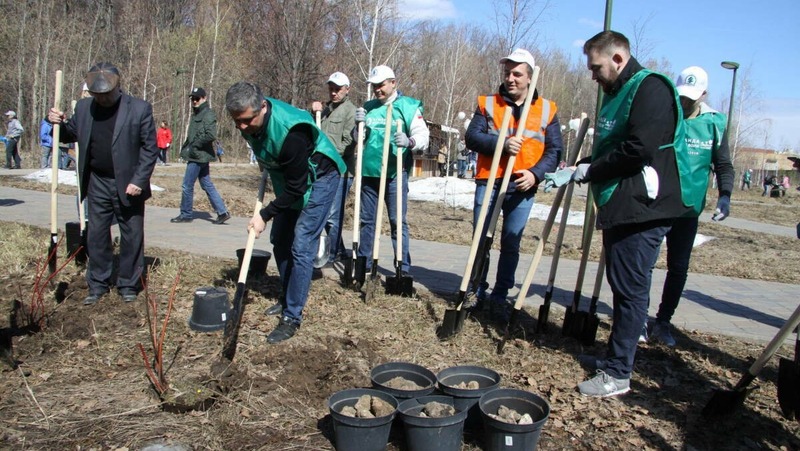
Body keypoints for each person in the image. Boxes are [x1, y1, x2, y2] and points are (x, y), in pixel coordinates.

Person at [572, 31, 691, 397]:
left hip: (645, 207)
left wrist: (591, 171)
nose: (593, 75)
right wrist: (584, 163)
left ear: (618, 59)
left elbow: (638, 149)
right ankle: (614, 358)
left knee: (630, 291)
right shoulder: (619, 91)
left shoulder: (650, 88)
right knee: (622, 286)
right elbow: (615, 145)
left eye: (596, 67)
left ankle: (619, 374)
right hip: (625, 203)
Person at [225, 81, 345, 343]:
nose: (242, 127)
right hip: (292, 177)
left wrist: (265, 214)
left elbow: (296, 189)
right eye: (237, 122)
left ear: (263, 108)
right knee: (280, 240)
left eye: (247, 120)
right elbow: (267, 150)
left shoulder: (292, 133)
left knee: (302, 244)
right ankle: (286, 295)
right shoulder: (248, 118)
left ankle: (292, 316)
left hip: (322, 176)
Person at [46, 62, 158, 304]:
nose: (102, 99)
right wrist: (56, 122)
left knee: (131, 234)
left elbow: (150, 149)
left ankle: (128, 284)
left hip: (129, 184)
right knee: (96, 234)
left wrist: (139, 180)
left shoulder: (138, 109)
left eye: (106, 94)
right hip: (97, 181)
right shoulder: (85, 108)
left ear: (117, 87)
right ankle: (97, 284)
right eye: (97, 94)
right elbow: (68, 134)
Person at [464, 48, 562, 322]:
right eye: (507, 73)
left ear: (530, 77)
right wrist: (502, 144)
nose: (511, 78)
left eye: (517, 73)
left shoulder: (547, 109)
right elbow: (471, 137)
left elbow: (554, 151)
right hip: (491, 180)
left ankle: (500, 295)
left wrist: (536, 174)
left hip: (522, 185)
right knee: (481, 239)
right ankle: (476, 290)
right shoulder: (488, 103)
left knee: (511, 242)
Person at [648, 66, 735, 347]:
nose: (684, 104)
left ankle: (663, 322)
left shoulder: (714, 123)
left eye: (690, 99)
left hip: (688, 209)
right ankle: (637, 319)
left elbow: (723, 164)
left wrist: (725, 195)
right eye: (681, 97)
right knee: (644, 265)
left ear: (704, 96)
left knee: (678, 268)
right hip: (658, 204)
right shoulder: (666, 116)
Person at [354, 65, 430, 276]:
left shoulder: (408, 106)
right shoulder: (368, 107)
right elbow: (357, 139)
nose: (377, 89)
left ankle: (402, 268)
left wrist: (410, 141)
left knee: (397, 221)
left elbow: (423, 136)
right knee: (366, 221)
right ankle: (364, 265)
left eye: (381, 85)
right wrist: (357, 126)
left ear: (393, 83)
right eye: (374, 86)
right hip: (369, 173)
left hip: (396, 174)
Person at [311, 71, 356, 265]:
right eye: (331, 89)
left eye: (338, 89)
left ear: (347, 90)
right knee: (327, 211)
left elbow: (348, 142)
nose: (334, 93)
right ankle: (340, 249)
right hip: (322, 169)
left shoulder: (350, 111)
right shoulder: (326, 109)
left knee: (332, 214)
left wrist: (326, 153)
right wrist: (314, 113)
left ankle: (333, 252)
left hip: (341, 171)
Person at [171, 87, 231, 225]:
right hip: (196, 154)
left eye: (197, 98)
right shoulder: (197, 114)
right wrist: (186, 148)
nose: (194, 101)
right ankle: (222, 212)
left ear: (204, 98)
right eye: (192, 99)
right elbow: (192, 135)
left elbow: (211, 134)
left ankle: (186, 214)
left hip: (198, 156)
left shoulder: (207, 114)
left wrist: (195, 145)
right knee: (206, 183)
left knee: (187, 185)